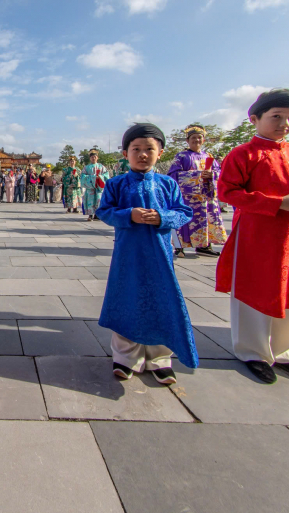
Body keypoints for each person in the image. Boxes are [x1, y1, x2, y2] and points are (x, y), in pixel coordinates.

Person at [215, 89, 289, 385]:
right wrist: (277, 203)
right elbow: (228, 192)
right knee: (254, 290)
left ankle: (288, 353)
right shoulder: (242, 154)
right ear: (255, 118)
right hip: (258, 234)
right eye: (276, 116)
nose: (285, 123)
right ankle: (253, 351)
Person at [97, 123, 198, 384]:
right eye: (136, 149)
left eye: (149, 149)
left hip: (160, 255)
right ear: (125, 153)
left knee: (162, 300)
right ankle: (125, 357)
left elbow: (183, 213)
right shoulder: (116, 184)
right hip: (127, 255)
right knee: (126, 298)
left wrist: (162, 217)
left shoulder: (167, 184)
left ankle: (159, 358)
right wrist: (128, 214)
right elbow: (104, 211)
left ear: (160, 153)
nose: (142, 154)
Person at [166, 126, 227, 257]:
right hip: (189, 198)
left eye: (199, 137)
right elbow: (173, 175)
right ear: (187, 140)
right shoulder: (182, 156)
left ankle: (205, 245)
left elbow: (219, 173)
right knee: (187, 221)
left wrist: (212, 175)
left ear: (204, 140)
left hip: (206, 196)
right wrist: (197, 175)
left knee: (207, 220)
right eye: (193, 138)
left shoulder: (208, 156)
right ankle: (180, 246)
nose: (197, 140)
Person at [82, 149, 110, 221]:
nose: (93, 158)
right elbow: (83, 177)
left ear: (97, 158)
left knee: (99, 200)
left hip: (98, 188)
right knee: (90, 201)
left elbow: (106, 175)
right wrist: (93, 178)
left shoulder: (101, 167)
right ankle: (90, 215)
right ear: (90, 158)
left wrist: (100, 177)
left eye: (95, 157)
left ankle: (97, 215)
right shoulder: (86, 167)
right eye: (92, 157)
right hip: (90, 187)